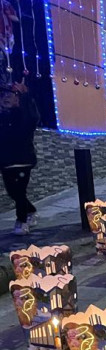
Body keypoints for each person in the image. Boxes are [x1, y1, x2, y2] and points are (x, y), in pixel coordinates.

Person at [1, 80, 40, 235]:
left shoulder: (23, 115)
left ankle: (21, 221)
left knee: (20, 191)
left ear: (17, 98)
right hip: (5, 162)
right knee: (13, 193)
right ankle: (31, 211)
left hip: (23, 161)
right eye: (2, 95)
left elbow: (33, 117)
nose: (5, 98)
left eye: (9, 95)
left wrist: (26, 96)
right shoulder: (2, 118)